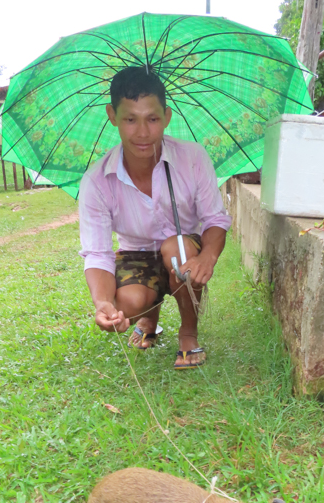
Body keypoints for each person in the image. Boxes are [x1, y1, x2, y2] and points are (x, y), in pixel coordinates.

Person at [79, 66, 232, 369]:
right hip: (135, 254)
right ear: (112, 116)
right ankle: (149, 313)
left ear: (167, 116)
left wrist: (208, 258)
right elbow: (97, 253)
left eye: (152, 118)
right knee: (128, 303)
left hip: (181, 251)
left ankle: (188, 331)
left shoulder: (192, 158)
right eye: (130, 119)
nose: (143, 133)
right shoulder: (96, 180)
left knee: (176, 250)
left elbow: (215, 219)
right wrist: (103, 303)